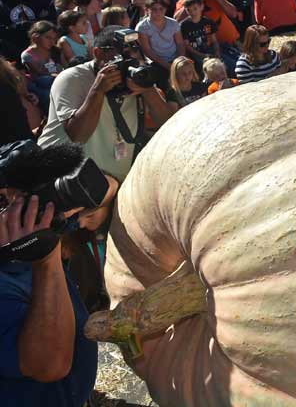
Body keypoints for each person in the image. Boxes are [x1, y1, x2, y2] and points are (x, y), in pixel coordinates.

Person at [0, 142, 104, 406]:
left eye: (22, 198)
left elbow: (99, 192)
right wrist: (46, 260)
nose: (21, 209)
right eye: (5, 202)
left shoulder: (25, 236)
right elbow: (50, 364)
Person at [37, 25, 175, 181]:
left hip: (111, 180)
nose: (130, 58)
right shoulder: (72, 78)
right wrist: (98, 91)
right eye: (121, 53)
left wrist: (148, 90)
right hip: (62, 178)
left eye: (134, 50)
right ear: (98, 53)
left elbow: (167, 125)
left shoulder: (136, 75)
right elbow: (78, 136)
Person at [135, 0, 186, 87]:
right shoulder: (142, 27)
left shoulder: (173, 23)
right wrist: (167, 66)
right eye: (154, 9)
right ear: (147, 9)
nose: (158, 12)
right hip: (156, 62)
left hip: (176, 58)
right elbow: (147, 50)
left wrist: (179, 61)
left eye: (161, 9)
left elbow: (180, 43)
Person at [179, 0, 220, 73]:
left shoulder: (208, 22)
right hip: (195, 54)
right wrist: (202, 55)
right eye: (189, 10)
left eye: (195, 9)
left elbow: (214, 40)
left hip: (209, 50)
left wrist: (217, 51)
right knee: (208, 67)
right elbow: (187, 46)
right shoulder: (184, 25)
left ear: (201, 7)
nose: (193, 12)